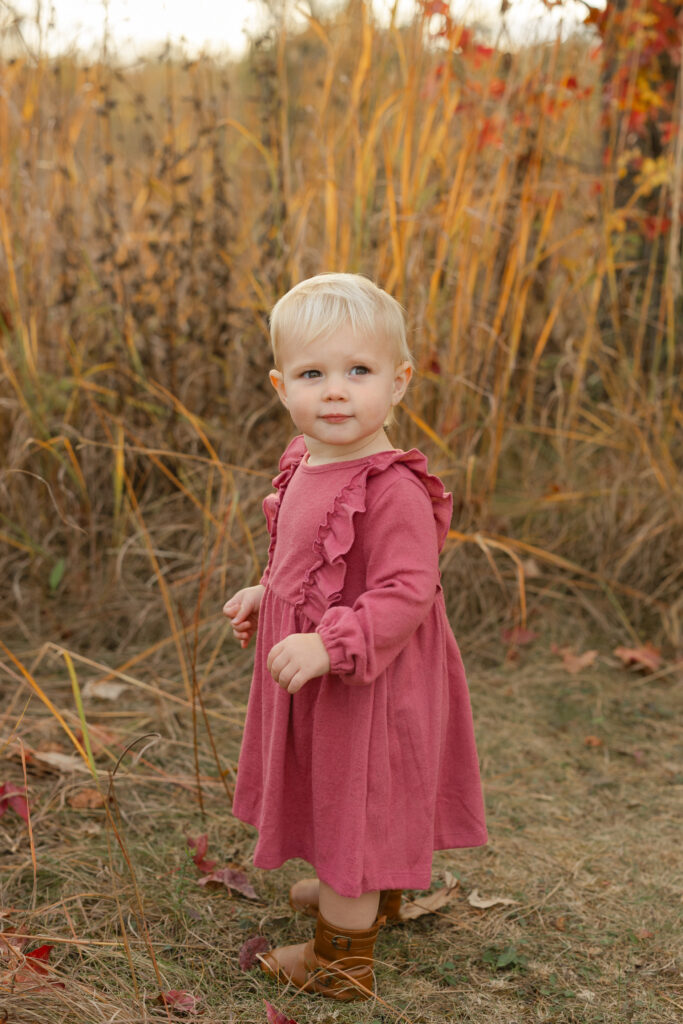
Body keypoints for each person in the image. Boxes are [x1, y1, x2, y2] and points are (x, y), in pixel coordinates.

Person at [223, 273, 487, 1002]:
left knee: (359, 794)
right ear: (282, 386)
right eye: (313, 374)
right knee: (333, 785)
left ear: (398, 382)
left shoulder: (390, 487)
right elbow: (305, 561)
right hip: (324, 672)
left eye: (358, 372)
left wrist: (328, 647)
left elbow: (406, 592)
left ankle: (340, 957)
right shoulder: (306, 459)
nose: (335, 392)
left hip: (369, 675)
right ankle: (367, 887)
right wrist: (265, 592)